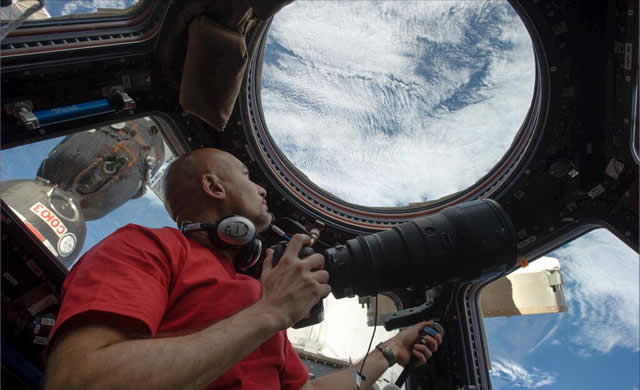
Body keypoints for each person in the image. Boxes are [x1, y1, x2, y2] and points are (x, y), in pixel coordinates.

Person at [44, 148, 442, 390]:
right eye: (249, 177)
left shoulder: (254, 295)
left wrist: (389, 352)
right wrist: (271, 313)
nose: (263, 188)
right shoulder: (149, 247)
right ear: (214, 187)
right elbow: (80, 381)